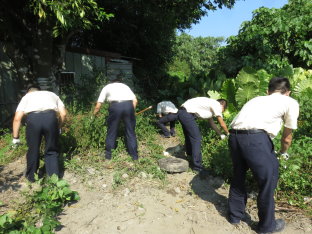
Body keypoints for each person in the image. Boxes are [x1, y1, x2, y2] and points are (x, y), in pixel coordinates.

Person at [228, 77, 299, 234]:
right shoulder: (290, 102)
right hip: (256, 140)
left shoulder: (256, 99)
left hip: (234, 137)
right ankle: (267, 227)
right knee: (268, 180)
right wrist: (283, 152)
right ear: (288, 92)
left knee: (239, 174)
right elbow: (287, 137)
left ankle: (234, 216)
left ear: (268, 91)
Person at [12, 84, 67, 182]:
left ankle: (31, 177)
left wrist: (15, 137)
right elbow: (63, 113)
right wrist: (59, 127)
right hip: (50, 119)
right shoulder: (52, 94)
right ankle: (54, 179)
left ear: (29, 91)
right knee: (51, 150)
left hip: (33, 120)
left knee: (33, 149)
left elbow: (17, 118)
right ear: (39, 90)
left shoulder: (27, 97)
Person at [178, 97, 229, 174]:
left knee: (189, 136)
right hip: (187, 114)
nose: (222, 112)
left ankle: (190, 157)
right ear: (223, 106)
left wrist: (220, 134)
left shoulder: (209, 105)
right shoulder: (217, 105)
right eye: (223, 110)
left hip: (182, 112)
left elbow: (212, 124)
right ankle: (198, 167)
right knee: (197, 138)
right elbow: (222, 124)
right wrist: (228, 134)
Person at [93, 74, 139, 160]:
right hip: (128, 106)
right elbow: (135, 101)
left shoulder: (107, 87)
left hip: (115, 106)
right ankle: (134, 156)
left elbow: (98, 105)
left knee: (112, 131)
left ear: (110, 81)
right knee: (130, 131)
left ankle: (108, 156)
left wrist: (93, 115)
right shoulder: (125, 86)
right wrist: (131, 112)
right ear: (119, 81)